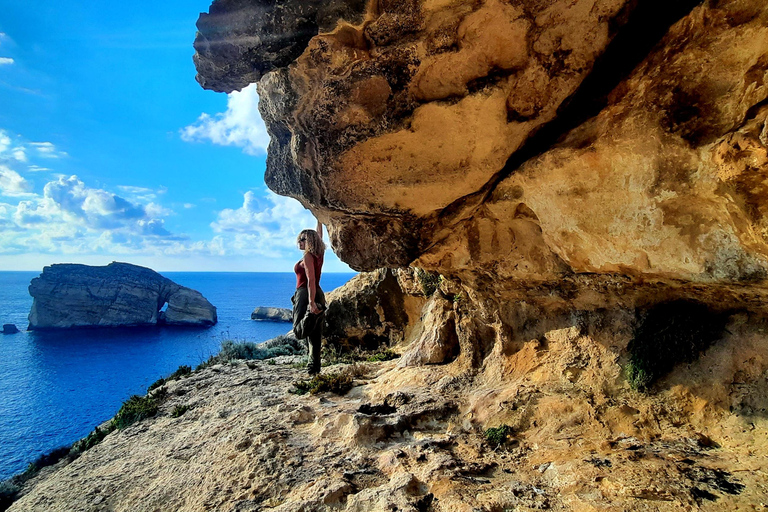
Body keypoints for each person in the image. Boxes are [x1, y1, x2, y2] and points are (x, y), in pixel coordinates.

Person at [292, 219, 326, 375]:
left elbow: (310, 279)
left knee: (299, 332)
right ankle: (314, 369)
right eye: (299, 238)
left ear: (310, 241)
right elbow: (319, 235)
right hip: (318, 292)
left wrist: (311, 303)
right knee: (315, 334)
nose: (299, 241)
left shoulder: (307, 257)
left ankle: (310, 313)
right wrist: (319, 220)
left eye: (303, 239)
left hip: (306, 292)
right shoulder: (319, 254)